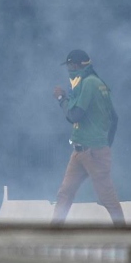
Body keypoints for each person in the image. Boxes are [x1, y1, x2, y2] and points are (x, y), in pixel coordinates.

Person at [52, 49, 123, 225]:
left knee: (107, 197)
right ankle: (53, 231)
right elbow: (114, 118)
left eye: (69, 65)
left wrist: (61, 98)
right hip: (81, 151)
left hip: (92, 152)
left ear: (75, 65)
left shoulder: (88, 84)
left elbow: (74, 115)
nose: (68, 69)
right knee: (65, 193)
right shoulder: (99, 83)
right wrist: (106, 145)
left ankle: (125, 234)